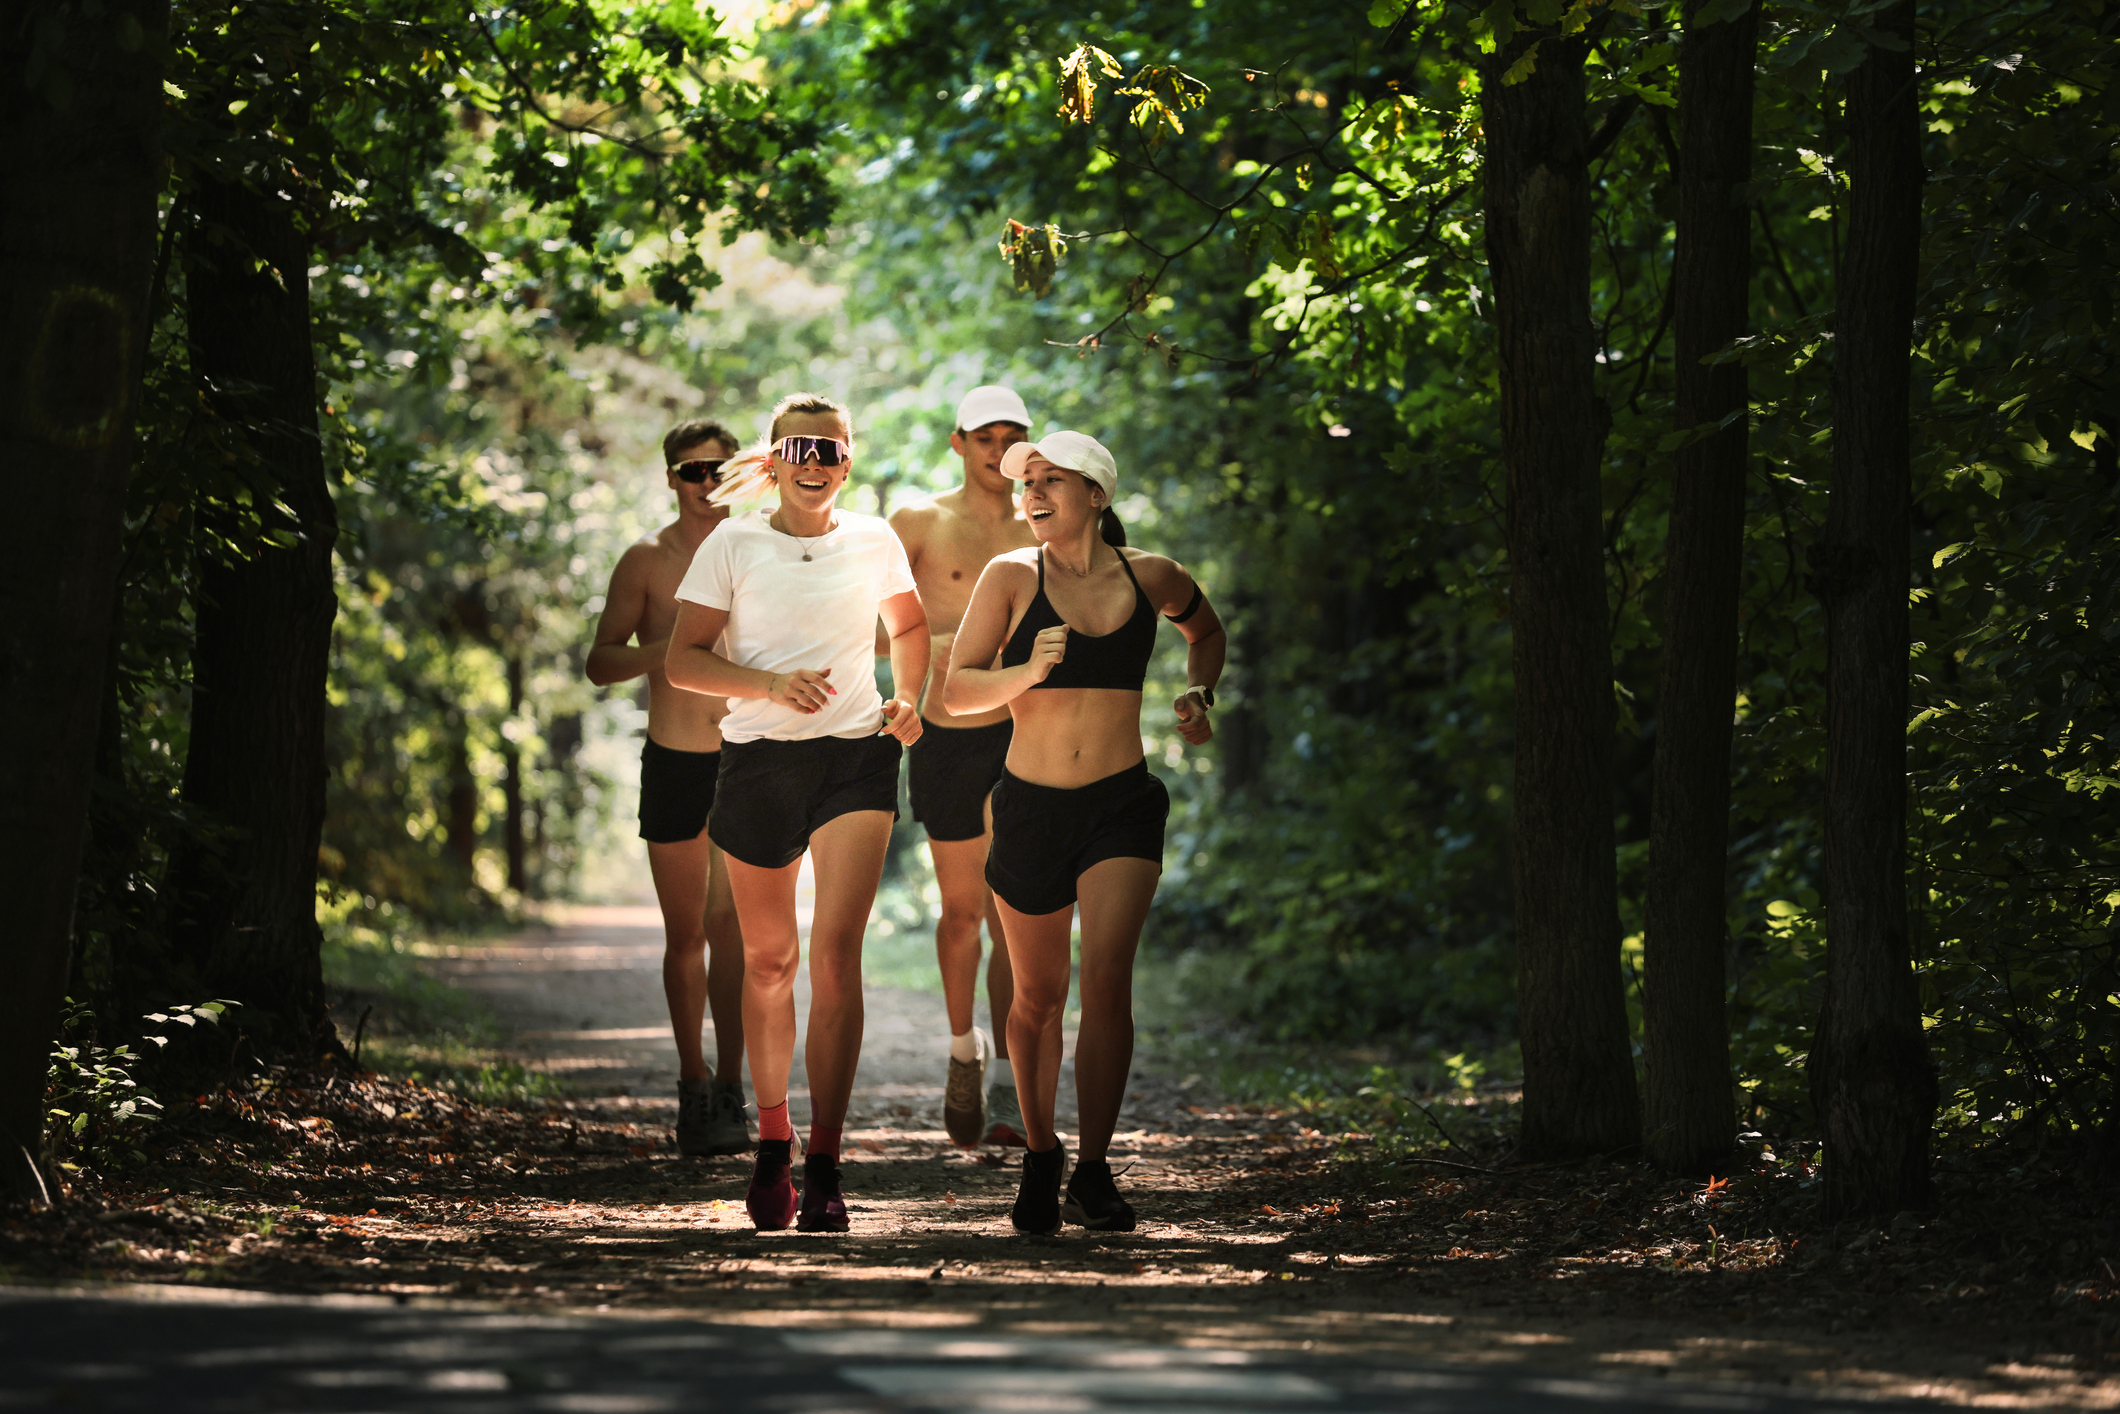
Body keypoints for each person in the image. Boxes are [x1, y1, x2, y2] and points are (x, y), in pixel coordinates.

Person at [942, 431, 1224, 1235]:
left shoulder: (1154, 575)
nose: (1030, 493)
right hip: (1030, 808)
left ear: (1095, 493)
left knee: (1105, 981)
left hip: (1121, 806)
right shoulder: (1008, 577)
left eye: (1049, 480)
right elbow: (955, 692)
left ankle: (1094, 1171)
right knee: (1037, 997)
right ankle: (1041, 1156)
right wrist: (1025, 671)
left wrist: (1200, 694)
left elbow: (1205, 634)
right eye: (1024, 482)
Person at [666, 393, 929, 1233]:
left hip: (855, 755)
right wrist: (770, 686)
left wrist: (911, 696)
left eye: (830, 449)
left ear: (848, 461)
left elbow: (911, 625)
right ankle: (772, 1144)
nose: (814, 462)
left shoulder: (875, 537)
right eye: (798, 448)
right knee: (771, 963)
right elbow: (682, 662)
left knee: (836, 956)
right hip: (759, 763)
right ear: (773, 461)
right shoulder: (733, 543)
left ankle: (825, 1163)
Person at [585, 420, 751, 1157]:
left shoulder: (761, 549)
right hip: (677, 759)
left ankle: (735, 1088)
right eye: (692, 470)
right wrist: (674, 644)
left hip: (749, 757)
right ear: (671, 477)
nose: (707, 481)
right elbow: (600, 662)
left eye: (720, 468)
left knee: (736, 933)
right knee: (687, 934)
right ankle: (692, 1086)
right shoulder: (646, 561)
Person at [884, 385, 1039, 1148]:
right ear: (959, 442)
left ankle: (1011, 1079)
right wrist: (916, 662)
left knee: (1015, 912)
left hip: (1024, 735)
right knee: (963, 912)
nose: (997, 448)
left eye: (1013, 436)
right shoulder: (919, 521)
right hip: (945, 732)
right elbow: (864, 618)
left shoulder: (1045, 522)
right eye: (985, 435)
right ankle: (962, 1053)